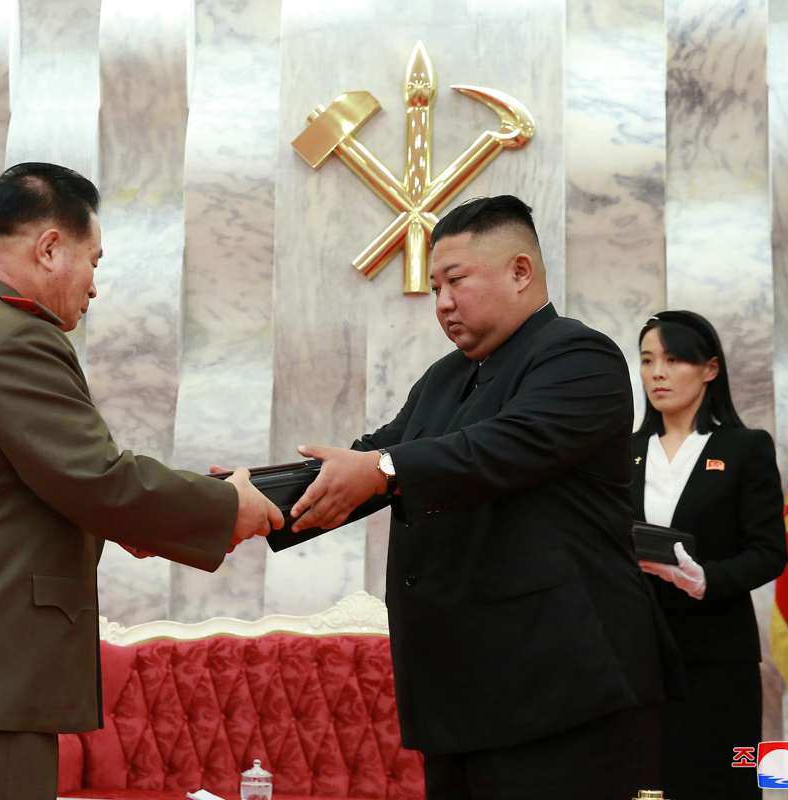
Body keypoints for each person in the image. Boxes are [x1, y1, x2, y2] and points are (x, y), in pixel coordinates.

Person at [0, 162, 283, 800]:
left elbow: (16, 493)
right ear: (50, 248)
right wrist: (226, 506)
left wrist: (131, 524)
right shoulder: (14, 339)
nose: (94, 287)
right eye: (94, 262)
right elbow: (98, 478)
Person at [268, 195, 681, 800]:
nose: (442, 302)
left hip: (562, 689)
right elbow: (368, 458)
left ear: (520, 272)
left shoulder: (579, 355)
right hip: (459, 691)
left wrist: (382, 468)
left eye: (455, 281)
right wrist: (244, 500)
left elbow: (497, 449)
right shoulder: (445, 376)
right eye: (435, 287)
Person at [633, 311, 788, 800]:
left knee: (717, 783)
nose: (657, 373)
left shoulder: (744, 448)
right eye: (647, 360)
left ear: (710, 369)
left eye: (673, 359)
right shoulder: (620, 453)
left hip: (715, 658)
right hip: (633, 657)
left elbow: (769, 552)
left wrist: (706, 580)